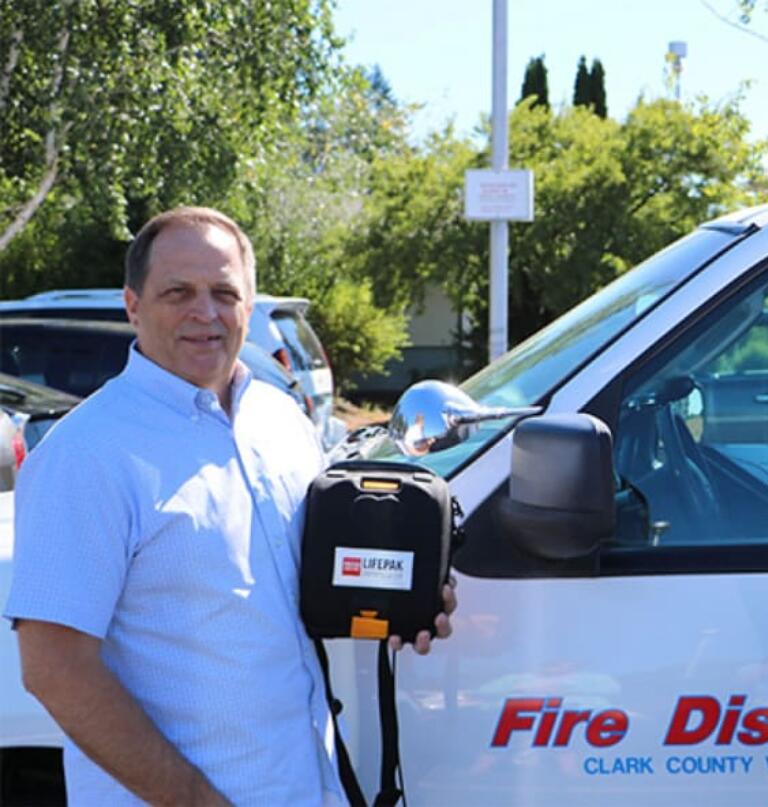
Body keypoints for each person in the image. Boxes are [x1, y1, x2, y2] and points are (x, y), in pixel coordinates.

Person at [5, 207, 457, 805]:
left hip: (306, 786)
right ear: (133, 305)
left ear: (249, 304)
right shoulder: (86, 454)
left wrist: (402, 597)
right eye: (178, 292)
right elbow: (56, 669)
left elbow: (302, 583)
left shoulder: (280, 420)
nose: (205, 313)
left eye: (224, 292)